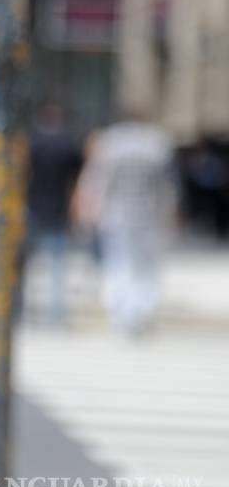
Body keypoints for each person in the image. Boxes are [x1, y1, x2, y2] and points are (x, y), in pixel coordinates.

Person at [74, 112, 178, 337]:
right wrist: (169, 215)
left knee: (118, 262)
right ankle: (139, 311)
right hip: (148, 214)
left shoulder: (110, 144)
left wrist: (89, 212)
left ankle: (121, 313)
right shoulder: (156, 145)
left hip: (115, 214)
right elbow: (167, 187)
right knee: (145, 266)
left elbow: (96, 182)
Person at [24, 101, 84, 325]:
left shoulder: (32, 144)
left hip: (32, 207)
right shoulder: (68, 146)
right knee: (57, 266)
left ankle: (20, 311)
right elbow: (76, 179)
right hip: (58, 209)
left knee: (23, 265)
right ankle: (56, 315)